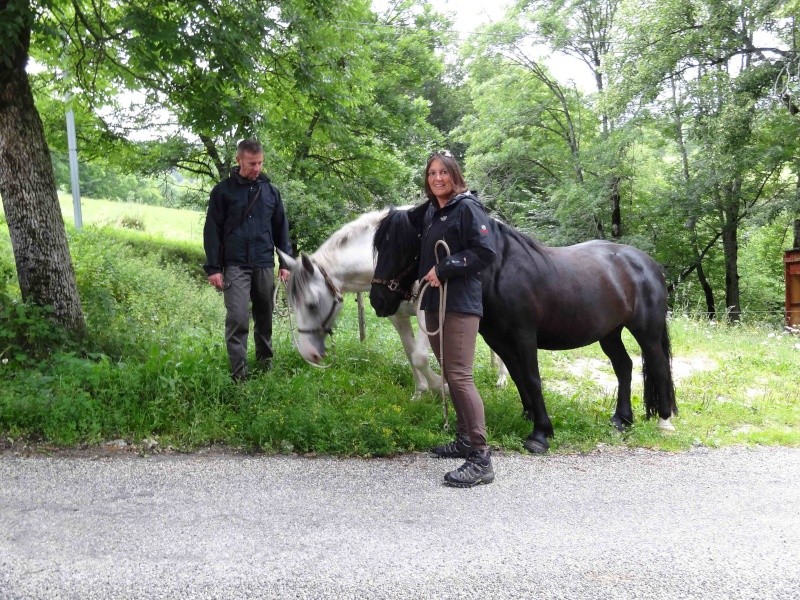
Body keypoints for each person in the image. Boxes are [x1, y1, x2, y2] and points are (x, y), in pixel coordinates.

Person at [419, 152, 497, 488]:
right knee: (450, 373)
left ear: (455, 175)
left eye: (443, 173)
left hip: (461, 304)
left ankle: (480, 457)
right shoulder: (434, 212)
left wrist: (445, 268)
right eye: (432, 173)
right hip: (437, 304)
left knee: (460, 377)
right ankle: (464, 439)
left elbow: (485, 251)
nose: (437, 178)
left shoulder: (467, 207)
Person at [203, 139, 292, 381]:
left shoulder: (271, 192)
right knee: (238, 318)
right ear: (239, 160)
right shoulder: (223, 191)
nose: (256, 168)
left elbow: (281, 229)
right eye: (252, 163)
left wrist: (285, 263)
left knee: (265, 316)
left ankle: (265, 365)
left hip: (264, 262)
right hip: (235, 264)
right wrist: (213, 268)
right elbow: (212, 231)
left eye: (260, 163)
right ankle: (239, 374)